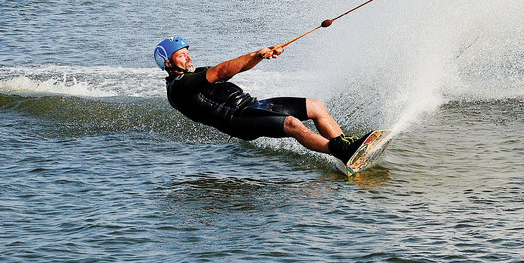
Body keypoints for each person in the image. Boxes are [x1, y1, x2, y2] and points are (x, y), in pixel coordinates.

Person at [154, 36, 368, 163]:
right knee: (293, 124)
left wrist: (259, 56)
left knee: (315, 106)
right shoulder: (180, 86)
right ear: (168, 63)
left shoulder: (193, 74)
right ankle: (342, 152)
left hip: (251, 105)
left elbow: (234, 70)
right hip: (237, 120)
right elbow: (221, 72)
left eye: (187, 52)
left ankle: (345, 144)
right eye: (181, 55)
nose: (188, 56)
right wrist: (255, 53)